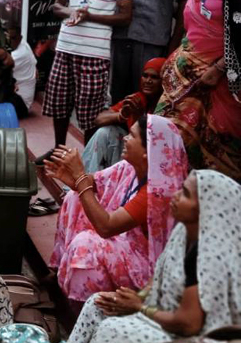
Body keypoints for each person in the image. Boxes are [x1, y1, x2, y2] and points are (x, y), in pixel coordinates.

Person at [69, 170, 241, 343]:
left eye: (185, 194)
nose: (176, 195)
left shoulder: (209, 255)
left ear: (206, 210)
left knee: (115, 330)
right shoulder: (184, 232)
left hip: (192, 339)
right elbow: (158, 277)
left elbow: (189, 324)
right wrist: (137, 297)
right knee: (98, 304)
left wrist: (139, 307)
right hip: (165, 317)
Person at [45, 114, 188, 303]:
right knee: (74, 198)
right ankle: (62, 271)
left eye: (132, 136)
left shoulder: (159, 191)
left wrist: (79, 175)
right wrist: (73, 178)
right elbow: (92, 182)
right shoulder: (130, 167)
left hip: (147, 268)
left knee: (86, 245)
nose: (124, 139)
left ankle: (83, 304)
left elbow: (107, 228)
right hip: (125, 242)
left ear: (148, 150)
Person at [38, 0, 133, 161]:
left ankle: (90, 157)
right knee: (59, 103)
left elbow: (125, 16)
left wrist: (90, 16)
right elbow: (57, 7)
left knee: (90, 112)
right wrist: (72, 11)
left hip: (95, 53)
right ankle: (59, 151)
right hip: (65, 47)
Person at [156, 0, 241, 182]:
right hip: (186, 78)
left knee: (218, 142)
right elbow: (190, 30)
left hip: (221, 85)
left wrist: (218, 69)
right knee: (166, 130)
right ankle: (175, 194)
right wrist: (176, 61)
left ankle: (217, 199)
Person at [83, 57, 165, 173]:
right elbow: (98, 120)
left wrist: (138, 116)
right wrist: (121, 115)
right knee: (106, 132)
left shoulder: (166, 105)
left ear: (164, 81)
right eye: (145, 76)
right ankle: (87, 180)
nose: (148, 81)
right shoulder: (137, 98)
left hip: (152, 161)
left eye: (154, 77)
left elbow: (149, 145)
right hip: (133, 154)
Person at [6, 25, 37, 119]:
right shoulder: (22, 44)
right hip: (20, 99)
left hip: (21, 103)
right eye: (8, 38)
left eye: (13, 38)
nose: (10, 41)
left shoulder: (20, 53)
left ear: (20, 37)